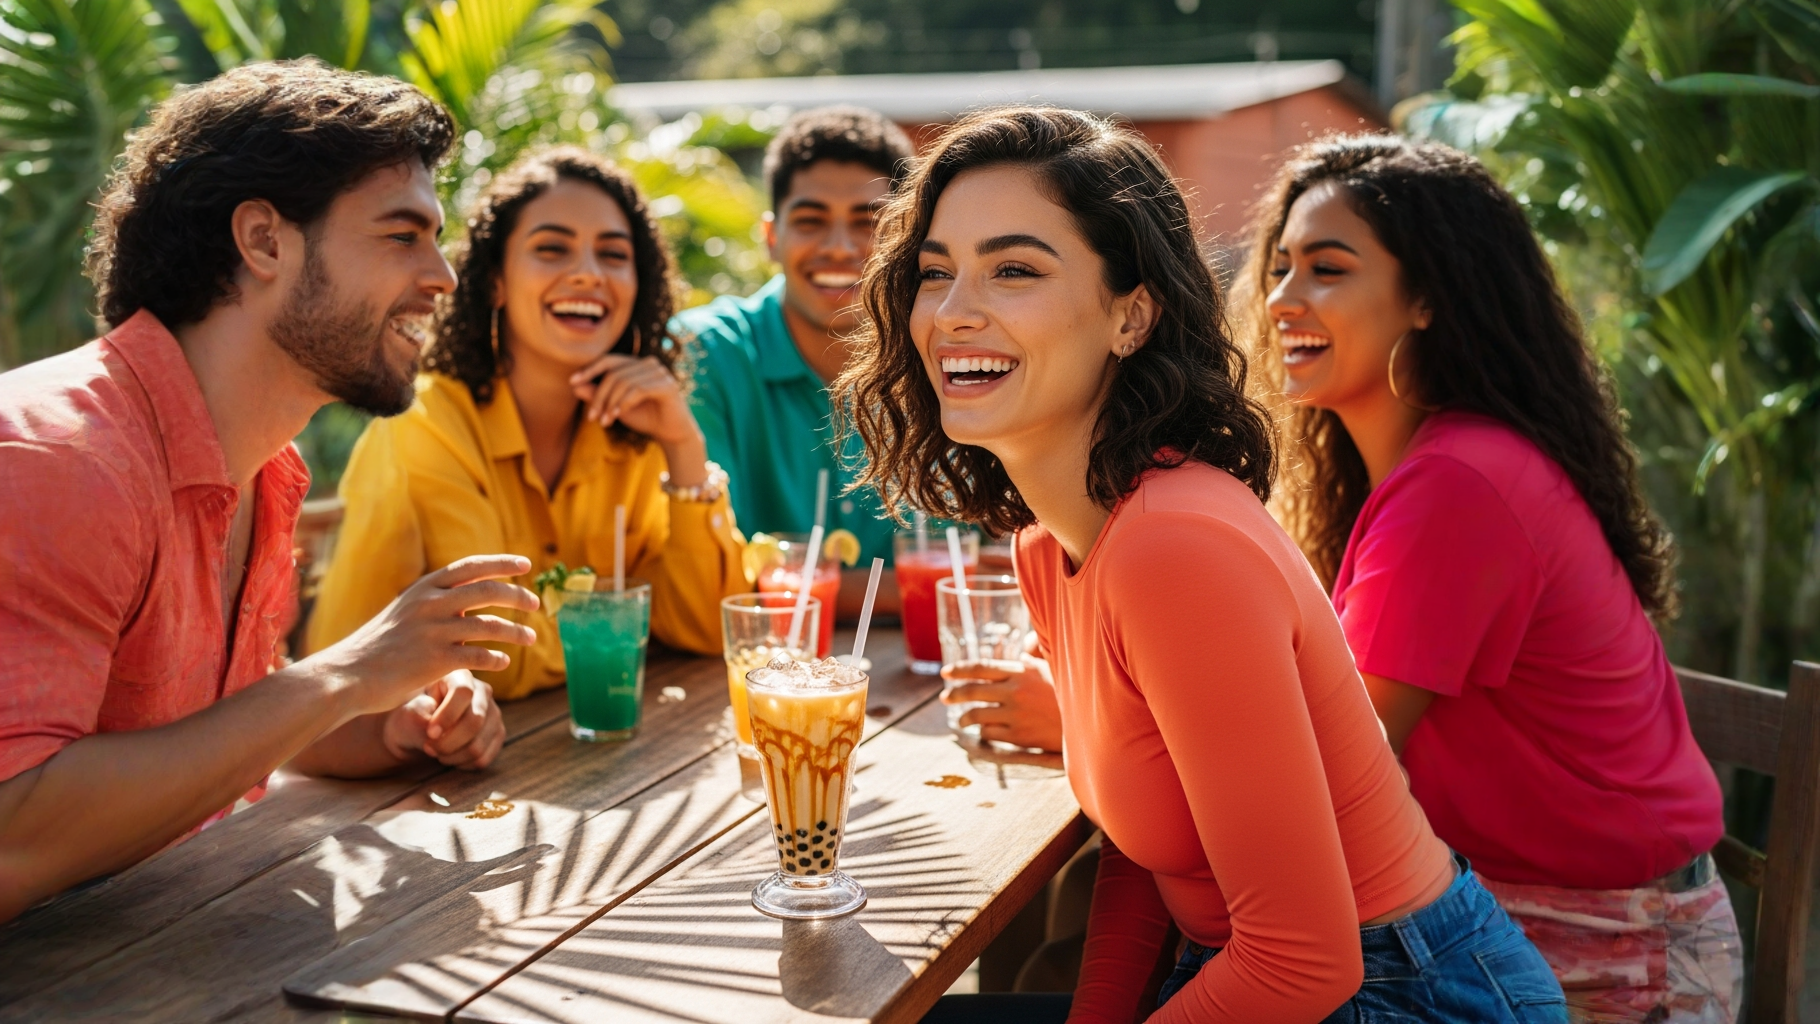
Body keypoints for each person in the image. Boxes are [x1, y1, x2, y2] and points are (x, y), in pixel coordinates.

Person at [837, 106, 1566, 1024]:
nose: (951, 312)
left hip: (1407, 994)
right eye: (935, 273)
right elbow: (1153, 847)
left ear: (1132, 315)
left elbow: (1304, 963)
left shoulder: (1174, 548)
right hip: (1253, 970)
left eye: (1013, 270)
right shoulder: (1050, 542)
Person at [0, 61, 540, 923]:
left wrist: (383, 719)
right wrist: (345, 673)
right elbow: (13, 835)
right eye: (402, 235)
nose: (442, 276)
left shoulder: (264, 466)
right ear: (263, 241)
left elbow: (215, 723)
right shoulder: (55, 457)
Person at [1246, 134, 1739, 1023]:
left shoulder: (1461, 482)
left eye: (1326, 268)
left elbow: (1332, 761)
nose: (1283, 298)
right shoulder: (1421, 473)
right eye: (1281, 266)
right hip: (1492, 911)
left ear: (1428, 297)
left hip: (1606, 950)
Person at [309, 147, 746, 698]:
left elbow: (709, 628)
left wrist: (685, 449)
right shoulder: (426, 424)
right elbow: (497, 654)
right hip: (394, 765)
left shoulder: (637, 432)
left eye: (613, 255)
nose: (587, 275)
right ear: (495, 281)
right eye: (552, 249)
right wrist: (629, 627)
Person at [676, 106, 913, 618]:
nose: (840, 247)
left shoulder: (949, 353)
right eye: (811, 221)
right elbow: (727, 581)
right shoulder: (704, 355)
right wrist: (920, 593)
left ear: (905, 239)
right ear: (771, 238)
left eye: (867, 222)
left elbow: (1001, 558)